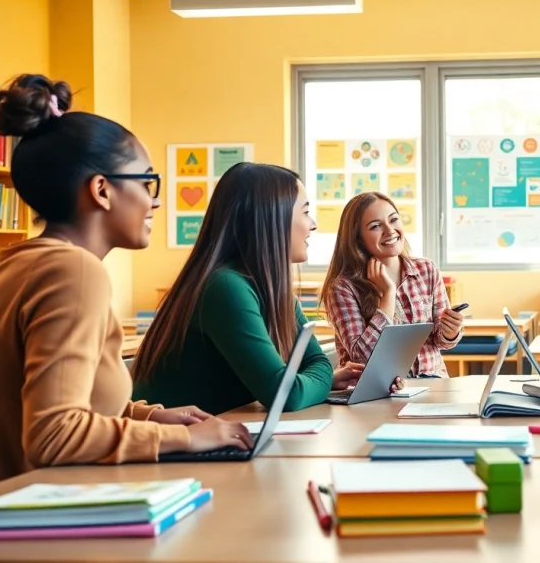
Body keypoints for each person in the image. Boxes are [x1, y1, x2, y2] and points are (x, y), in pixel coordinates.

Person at [0, 74, 251, 490]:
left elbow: (58, 404)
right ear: (102, 190)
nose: (155, 200)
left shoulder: (14, 266)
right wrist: (185, 437)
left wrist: (151, 416)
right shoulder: (74, 272)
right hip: (37, 525)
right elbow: (53, 435)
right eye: (147, 182)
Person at [131, 163, 391, 416]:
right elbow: (286, 395)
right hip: (169, 449)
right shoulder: (224, 287)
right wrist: (318, 382)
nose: (313, 224)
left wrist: (314, 380)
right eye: (304, 212)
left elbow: (317, 364)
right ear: (271, 219)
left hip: (217, 435)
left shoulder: (272, 291)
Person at [322, 191, 463, 378]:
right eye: (375, 226)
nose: (390, 231)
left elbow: (441, 342)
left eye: (394, 219)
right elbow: (362, 358)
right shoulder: (343, 287)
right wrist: (388, 295)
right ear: (357, 239)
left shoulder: (426, 269)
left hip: (433, 386)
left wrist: (451, 331)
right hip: (378, 394)